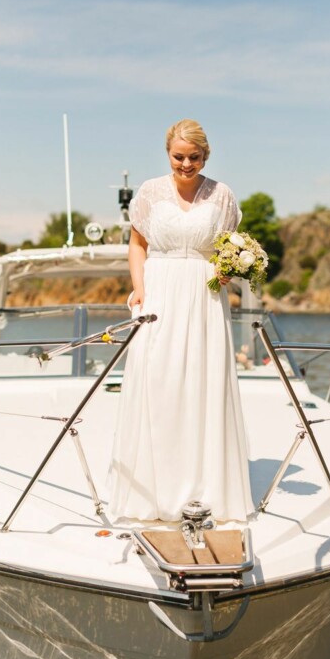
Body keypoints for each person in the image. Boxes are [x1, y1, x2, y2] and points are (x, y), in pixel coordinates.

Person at [107, 119, 254, 522]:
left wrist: (226, 270)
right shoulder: (151, 193)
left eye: (194, 157)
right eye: (178, 156)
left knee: (203, 383)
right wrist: (140, 289)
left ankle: (205, 488)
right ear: (168, 154)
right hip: (160, 288)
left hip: (204, 294)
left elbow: (227, 247)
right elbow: (137, 245)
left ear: (205, 156)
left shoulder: (222, 196)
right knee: (160, 381)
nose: (186, 164)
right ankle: (152, 490)